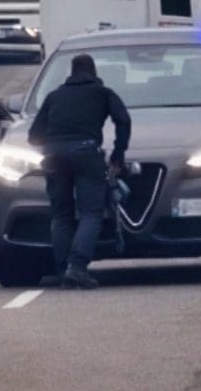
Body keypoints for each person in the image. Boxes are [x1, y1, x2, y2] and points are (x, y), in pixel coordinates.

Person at [28, 53, 131, 290]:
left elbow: (34, 135)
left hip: (54, 156)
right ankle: (77, 268)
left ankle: (63, 270)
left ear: (71, 73)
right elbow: (123, 120)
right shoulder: (103, 93)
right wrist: (118, 155)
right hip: (86, 153)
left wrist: (55, 144)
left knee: (61, 215)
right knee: (90, 213)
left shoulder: (54, 96)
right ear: (94, 72)